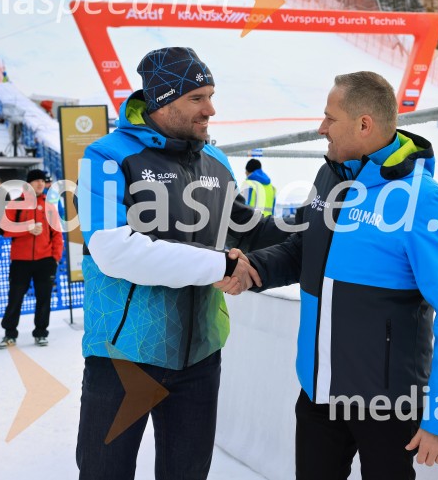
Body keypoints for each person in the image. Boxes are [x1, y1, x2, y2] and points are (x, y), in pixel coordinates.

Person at [240, 72, 438, 479]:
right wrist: (255, 269)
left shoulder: (422, 199)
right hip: (319, 392)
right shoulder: (330, 176)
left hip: (385, 405)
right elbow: (303, 247)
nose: (321, 129)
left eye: (329, 119)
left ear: (364, 124)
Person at [74, 46, 286, 480]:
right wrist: (221, 266)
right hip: (124, 356)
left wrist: (322, 229)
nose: (211, 109)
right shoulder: (106, 156)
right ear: (162, 100)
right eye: (197, 97)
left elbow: (247, 227)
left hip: (200, 354)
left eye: (211, 95)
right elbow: (113, 250)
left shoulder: (217, 160)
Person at [0, 169, 63, 349]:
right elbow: (5, 229)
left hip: (45, 261)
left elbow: (57, 234)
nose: (40, 184)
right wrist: (28, 227)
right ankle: (10, 334)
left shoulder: (49, 205)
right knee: (15, 298)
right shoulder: (16, 204)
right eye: (36, 181)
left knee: (44, 299)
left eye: (42, 180)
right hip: (21, 261)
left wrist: (55, 258)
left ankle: (41, 332)